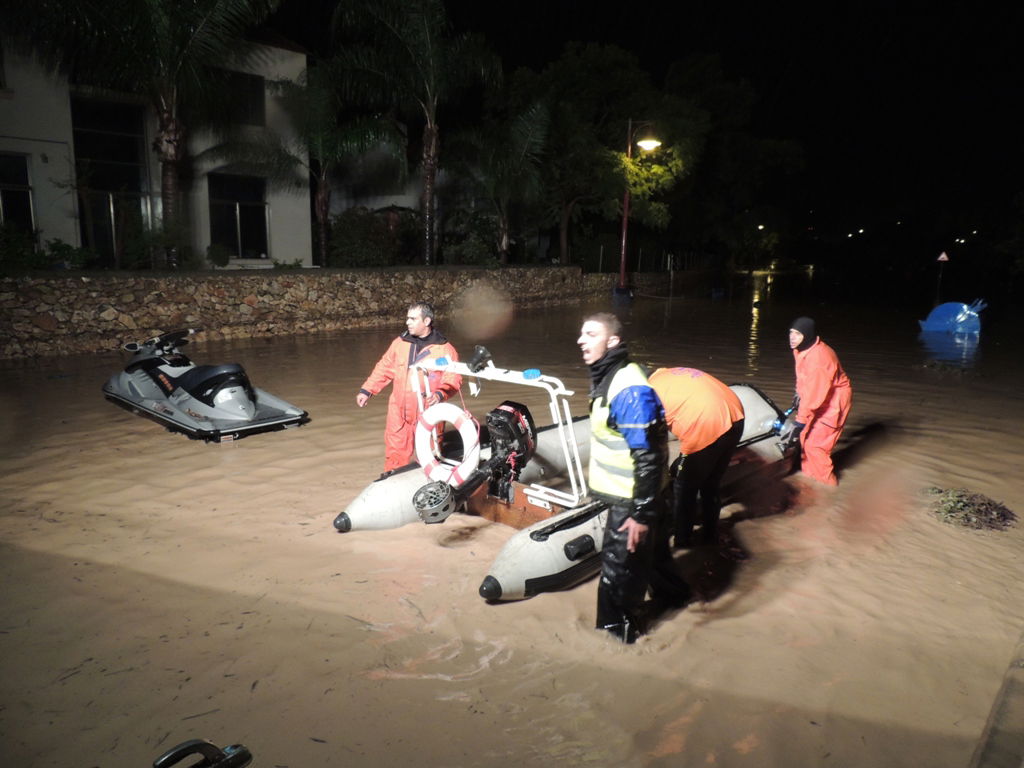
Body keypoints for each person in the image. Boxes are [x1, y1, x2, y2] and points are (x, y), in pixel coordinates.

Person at [577, 312, 690, 644]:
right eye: (581, 334)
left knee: (617, 573)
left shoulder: (627, 387)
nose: (581, 340)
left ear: (612, 341)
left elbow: (649, 456)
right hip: (641, 495)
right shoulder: (610, 376)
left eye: (590, 334)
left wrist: (641, 513)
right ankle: (677, 599)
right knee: (655, 557)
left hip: (633, 501)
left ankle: (613, 637)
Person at [357, 301, 461, 472]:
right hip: (399, 411)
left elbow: (453, 378)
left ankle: (428, 483)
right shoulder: (400, 343)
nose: (408, 322)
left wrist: (440, 395)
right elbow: (385, 367)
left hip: (428, 411)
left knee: (429, 453)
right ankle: (393, 481)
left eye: (413, 319)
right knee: (395, 453)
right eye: (407, 318)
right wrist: (367, 390)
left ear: (426, 322)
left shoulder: (445, 350)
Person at [648, 367, 745, 548]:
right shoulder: (666, 373)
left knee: (683, 487)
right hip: (736, 413)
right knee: (711, 483)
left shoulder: (648, 391)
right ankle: (710, 533)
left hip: (707, 422)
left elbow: (651, 440)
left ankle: (682, 539)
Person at [789, 316, 852, 486]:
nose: (792, 337)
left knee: (816, 447)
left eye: (797, 334)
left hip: (833, 402)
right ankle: (810, 477)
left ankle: (829, 489)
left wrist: (800, 421)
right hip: (818, 394)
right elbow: (803, 378)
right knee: (804, 439)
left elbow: (814, 395)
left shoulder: (819, 360)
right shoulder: (800, 349)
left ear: (808, 335)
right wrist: (798, 394)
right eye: (791, 333)